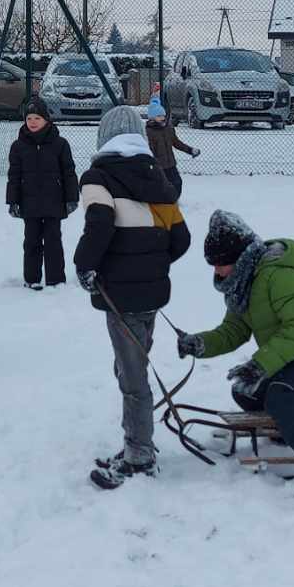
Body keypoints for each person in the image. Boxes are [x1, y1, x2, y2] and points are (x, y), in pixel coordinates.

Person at [175, 211, 294, 496]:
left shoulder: (280, 276)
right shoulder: (242, 284)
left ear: (242, 258)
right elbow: (233, 331)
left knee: (280, 393)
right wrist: (200, 344)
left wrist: (260, 365)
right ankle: (287, 431)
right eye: (213, 265)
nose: (218, 271)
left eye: (222, 264)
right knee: (246, 391)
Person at [74, 104, 191, 489]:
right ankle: (135, 441)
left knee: (132, 375)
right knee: (131, 366)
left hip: (119, 294)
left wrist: (85, 266)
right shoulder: (156, 177)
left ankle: (140, 454)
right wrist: (152, 263)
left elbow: (99, 224)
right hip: (152, 293)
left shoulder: (97, 178)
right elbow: (181, 239)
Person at [7, 99, 78, 290]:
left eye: (37, 117)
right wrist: (12, 201)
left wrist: (72, 198)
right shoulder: (18, 146)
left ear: (46, 119)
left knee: (53, 241)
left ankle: (56, 281)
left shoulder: (60, 144)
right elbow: (13, 176)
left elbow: (69, 172)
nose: (32, 122)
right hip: (29, 204)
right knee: (31, 242)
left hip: (54, 203)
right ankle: (32, 279)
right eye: (29, 118)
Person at [144, 91, 200, 198]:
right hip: (158, 166)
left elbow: (176, 143)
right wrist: (152, 165)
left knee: (177, 183)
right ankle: (162, 203)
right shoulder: (149, 132)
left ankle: (173, 201)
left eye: (163, 115)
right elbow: (149, 151)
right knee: (160, 186)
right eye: (159, 116)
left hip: (171, 164)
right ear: (152, 118)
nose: (162, 118)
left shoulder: (168, 129)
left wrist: (190, 150)